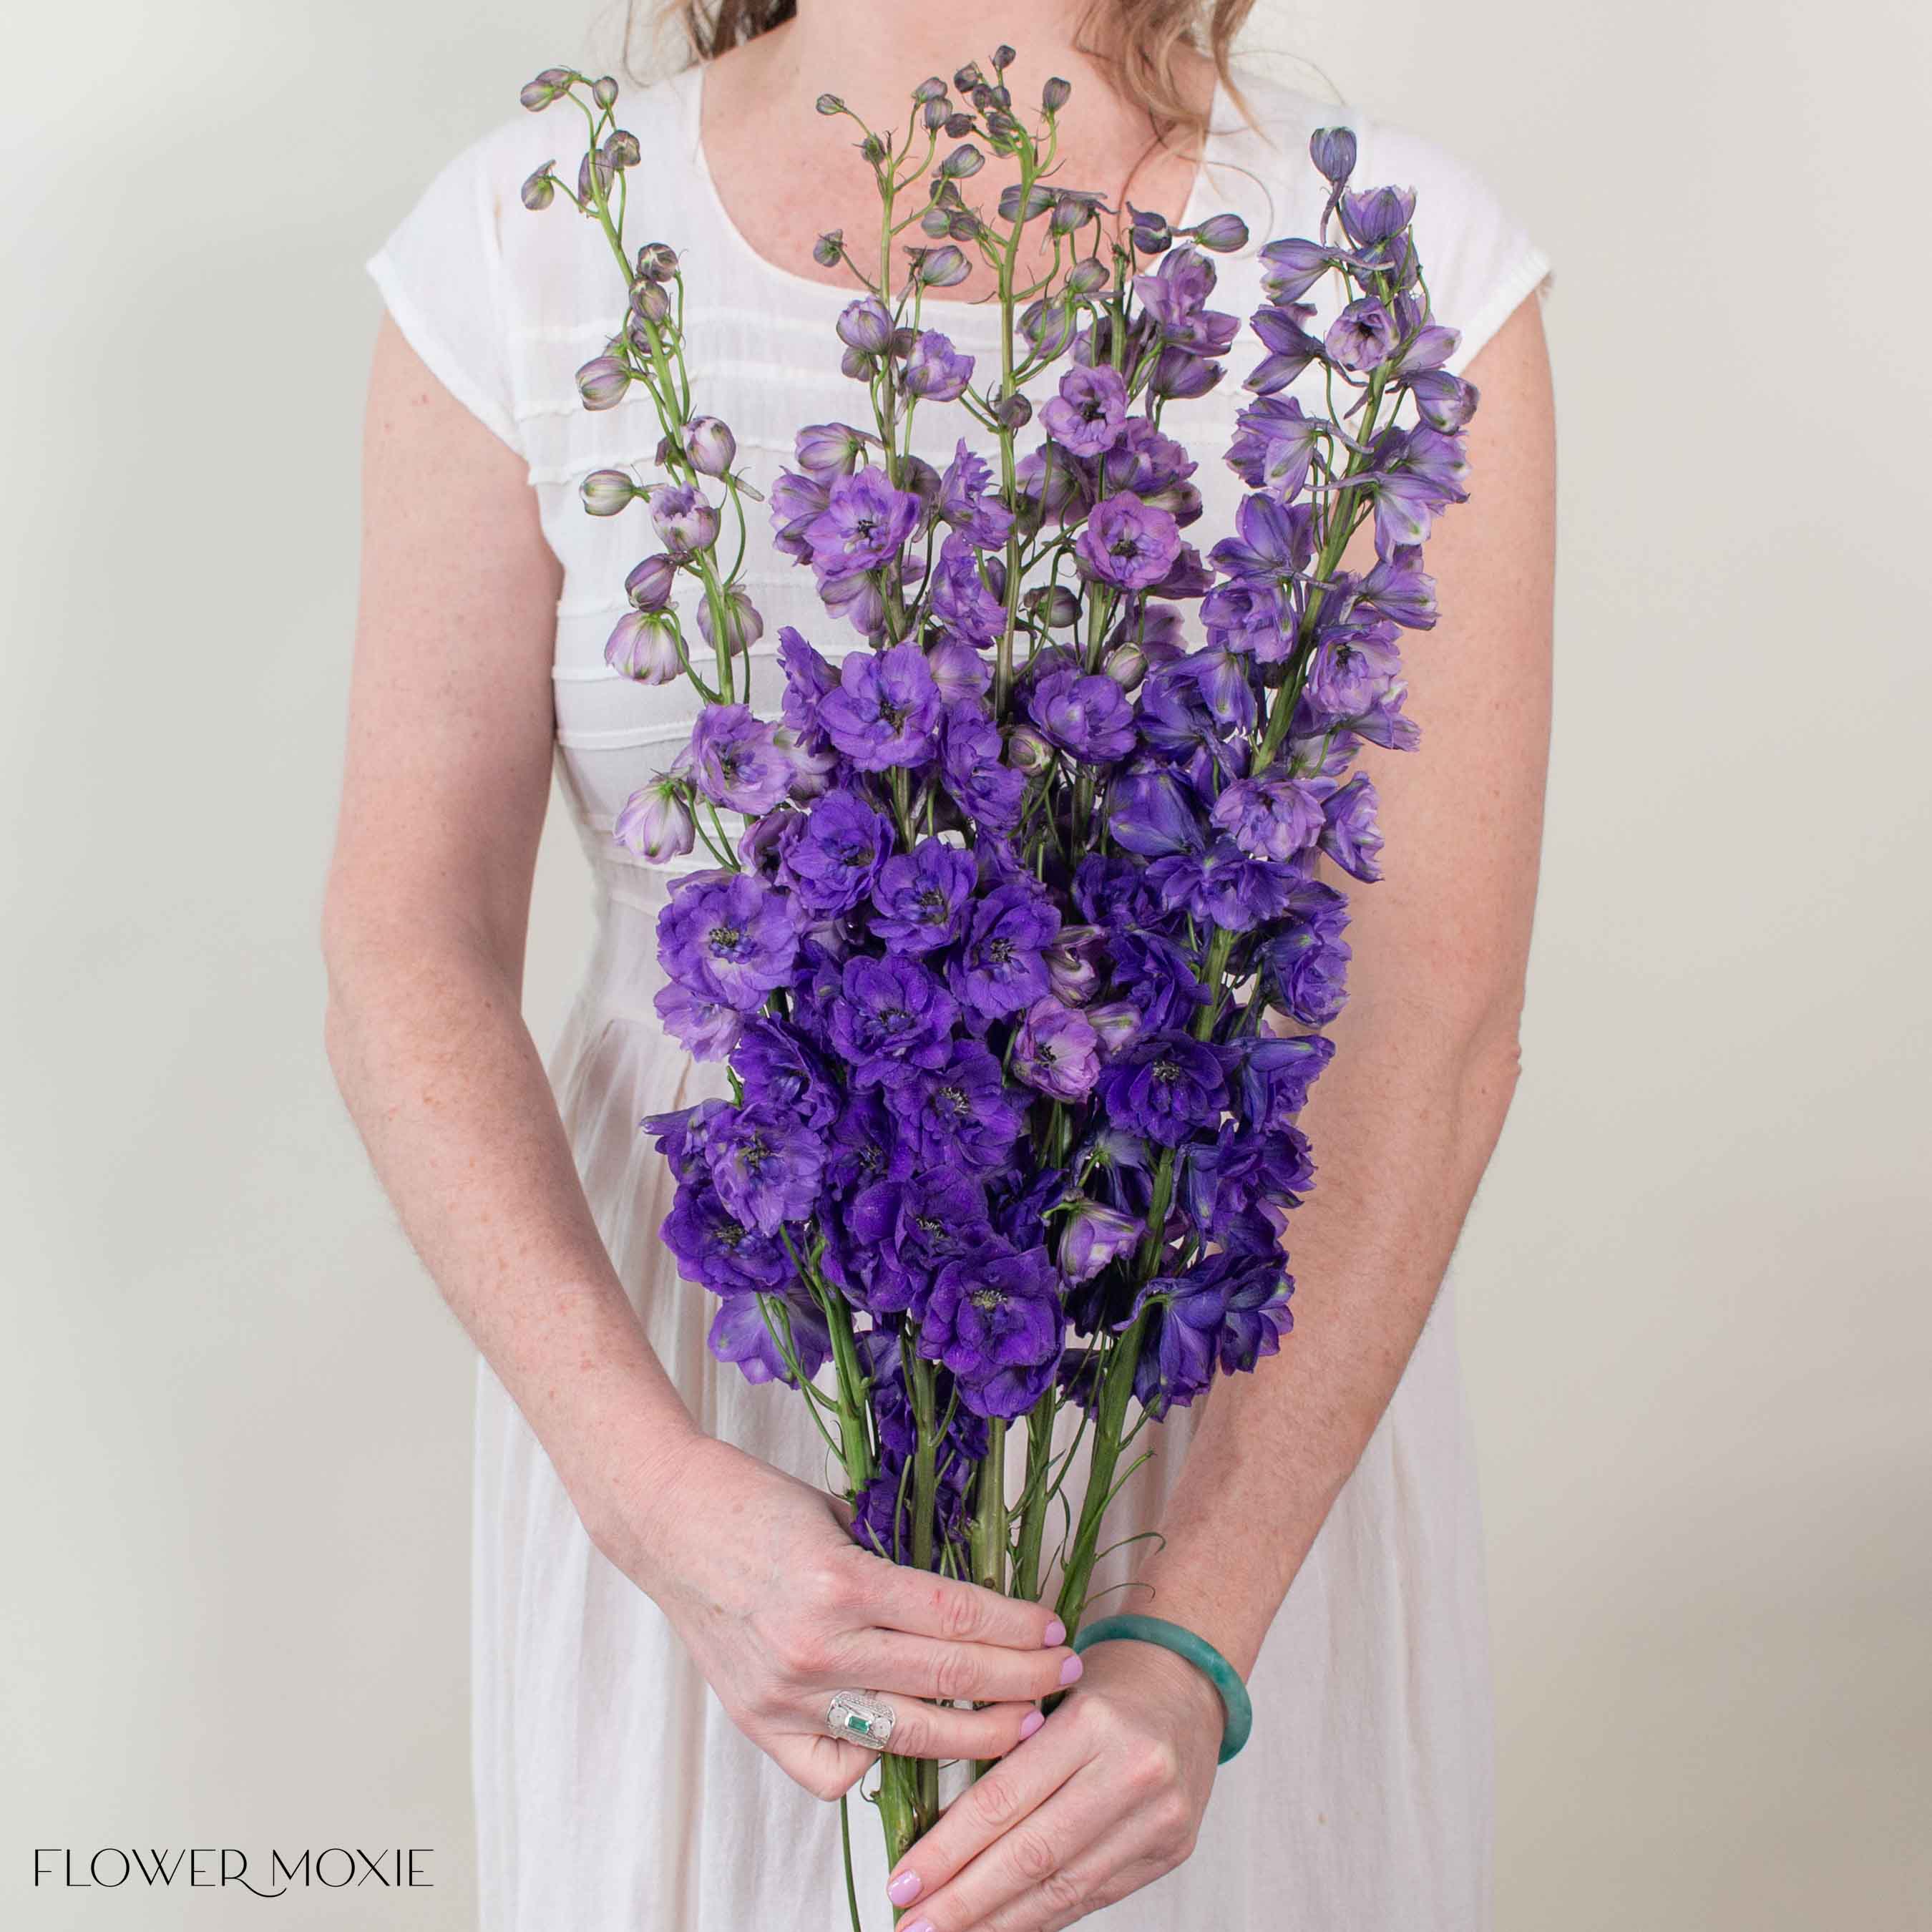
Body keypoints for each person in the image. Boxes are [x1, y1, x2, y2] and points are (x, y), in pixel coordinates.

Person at [325, 1, 1554, 1926]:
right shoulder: (532, 240)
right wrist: (657, 1508)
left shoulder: (1404, 264)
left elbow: (1434, 1024)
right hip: (724, 1442)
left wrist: (1190, 1639)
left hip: (1205, 1428)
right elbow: (405, 941)